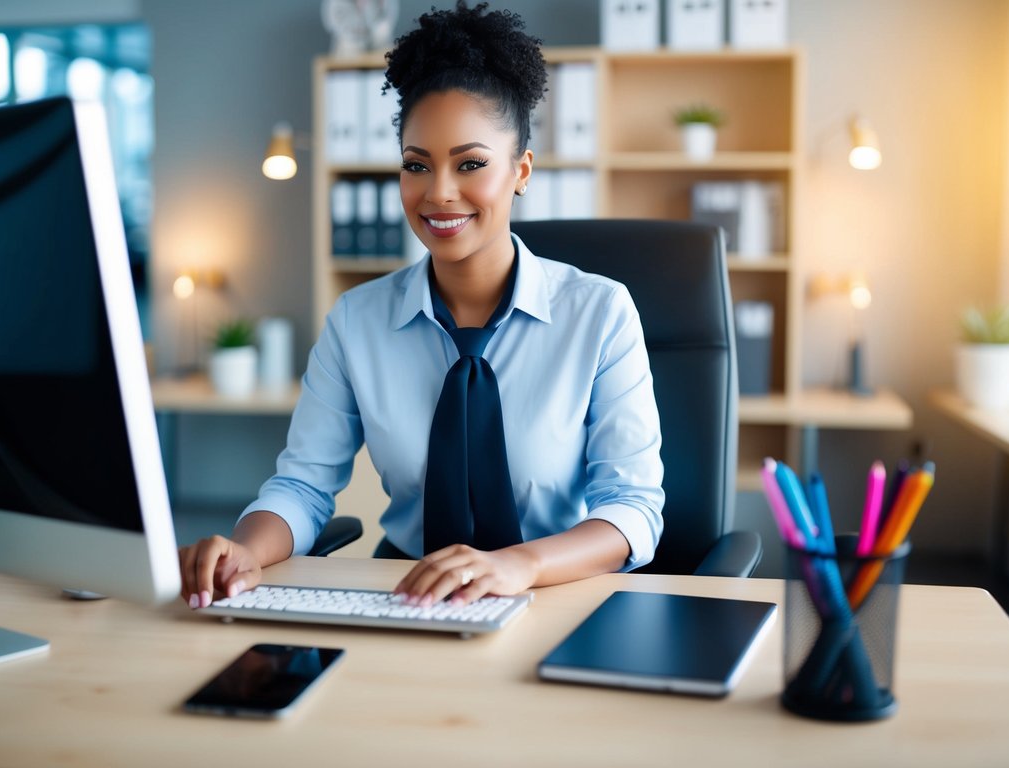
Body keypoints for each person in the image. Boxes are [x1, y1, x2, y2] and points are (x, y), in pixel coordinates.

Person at [179, 1, 663, 610]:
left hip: (552, 590)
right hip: (408, 594)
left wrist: (518, 565)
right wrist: (248, 550)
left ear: (521, 170)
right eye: (416, 165)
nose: (437, 194)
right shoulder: (357, 321)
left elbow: (633, 508)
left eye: (471, 164)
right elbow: (302, 486)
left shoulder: (600, 314)